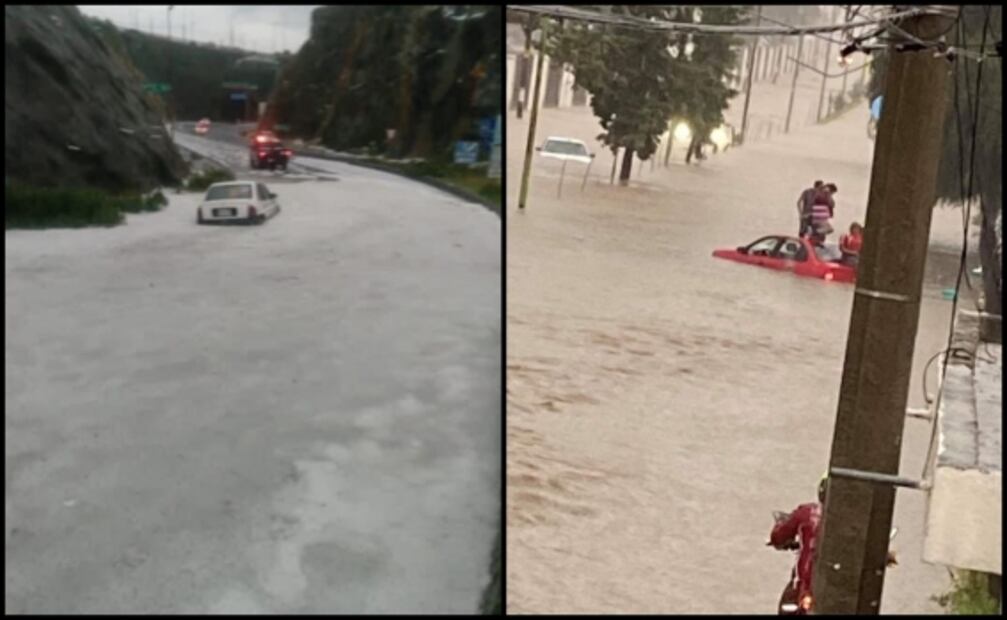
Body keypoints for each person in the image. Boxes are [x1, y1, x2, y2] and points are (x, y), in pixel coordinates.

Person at [769, 475, 826, 613]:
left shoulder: (807, 513)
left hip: (803, 587)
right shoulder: (850, 524)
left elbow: (778, 536)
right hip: (835, 588)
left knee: (789, 605)